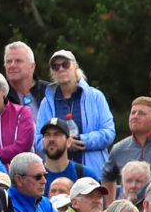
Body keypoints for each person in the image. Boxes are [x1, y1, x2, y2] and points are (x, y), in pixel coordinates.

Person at [35, 50, 114, 179]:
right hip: (58, 176)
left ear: (75, 67)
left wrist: (81, 141)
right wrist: (62, 143)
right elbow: (38, 139)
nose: (60, 69)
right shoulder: (47, 102)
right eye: (55, 66)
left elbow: (109, 133)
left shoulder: (95, 97)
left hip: (92, 173)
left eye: (65, 64)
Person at [3, 41, 45, 113]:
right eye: (9, 61)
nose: (12, 65)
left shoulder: (49, 92)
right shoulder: (0, 96)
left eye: (18, 61)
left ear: (32, 66)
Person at [37, 118, 79, 184]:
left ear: (68, 142)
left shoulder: (83, 174)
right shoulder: (35, 178)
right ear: (42, 142)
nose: (51, 139)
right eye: (47, 135)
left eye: (57, 134)